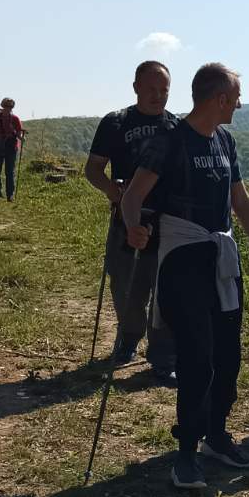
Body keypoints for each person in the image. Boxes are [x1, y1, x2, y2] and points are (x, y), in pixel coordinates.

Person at [121, 63, 249, 490]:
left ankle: (216, 434)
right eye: (236, 98)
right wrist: (134, 228)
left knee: (228, 354)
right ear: (220, 99)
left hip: (220, 260)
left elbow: (240, 202)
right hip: (184, 258)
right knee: (197, 356)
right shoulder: (170, 139)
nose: (240, 105)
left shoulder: (225, 140)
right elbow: (133, 195)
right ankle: (187, 452)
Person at [85, 61, 178, 383]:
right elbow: (93, 169)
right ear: (136, 87)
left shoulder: (176, 127)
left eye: (164, 90)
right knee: (126, 286)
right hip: (126, 218)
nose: (158, 96)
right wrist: (113, 191)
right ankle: (128, 338)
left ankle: (163, 355)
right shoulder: (116, 122)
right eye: (151, 89)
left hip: (166, 221)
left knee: (165, 290)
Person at [0, 98, 24, 201]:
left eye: (10, 107)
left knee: (9, 171)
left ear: (12, 107)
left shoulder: (15, 119)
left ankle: (10, 195)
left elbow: (18, 133)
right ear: (2, 106)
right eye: (6, 106)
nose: (8, 108)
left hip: (11, 146)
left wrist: (22, 138)